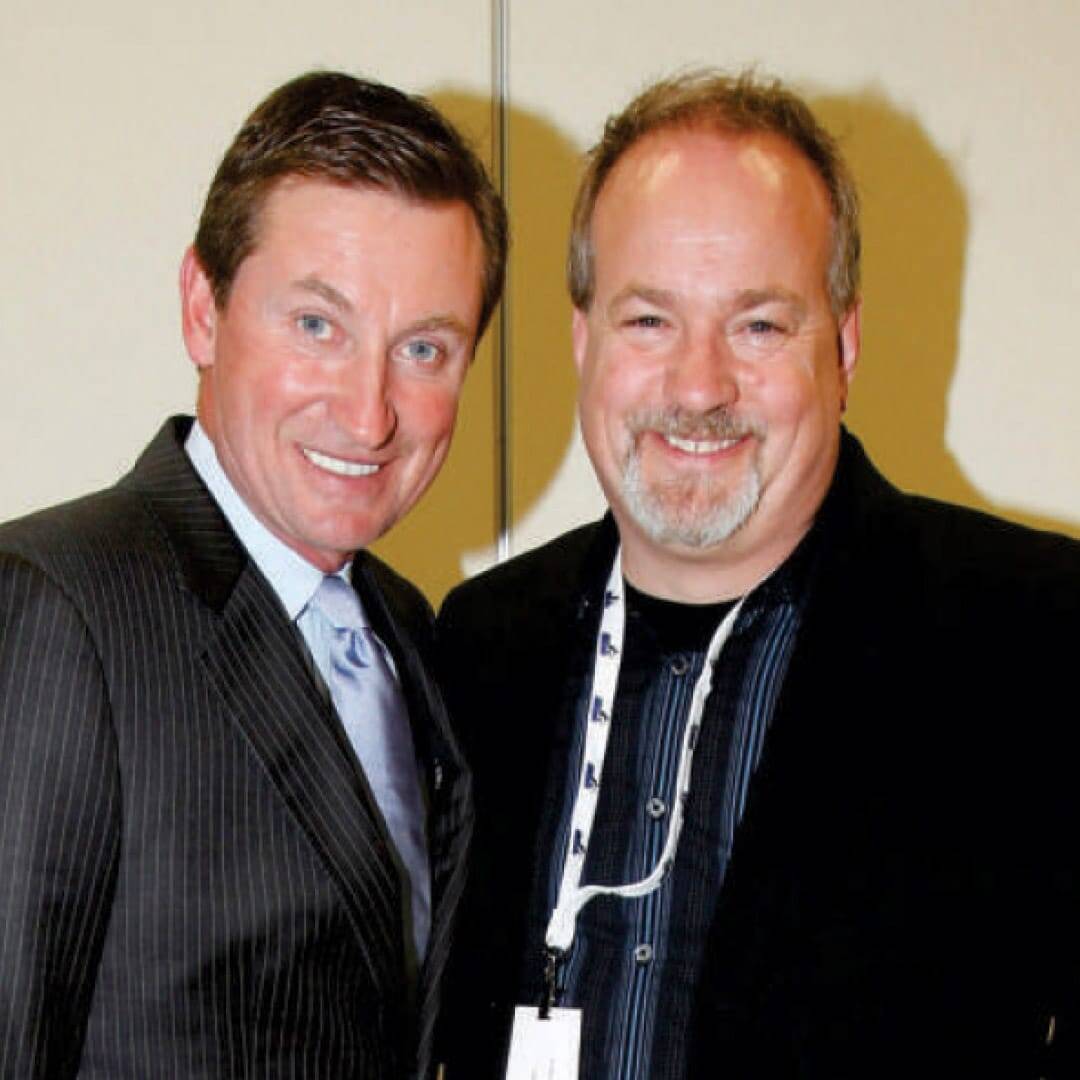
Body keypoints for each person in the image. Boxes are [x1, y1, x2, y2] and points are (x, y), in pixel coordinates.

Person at [436, 70, 1080, 1078]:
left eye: (760, 326)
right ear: (583, 340)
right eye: (649, 320)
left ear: (845, 347)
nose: (699, 387)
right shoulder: (474, 652)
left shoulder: (1034, 641)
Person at [0, 70, 506, 1078]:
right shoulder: (52, 605)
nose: (370, 413)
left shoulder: (407, 629)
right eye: (317, 326)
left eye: (424, 348)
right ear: (203, 307)